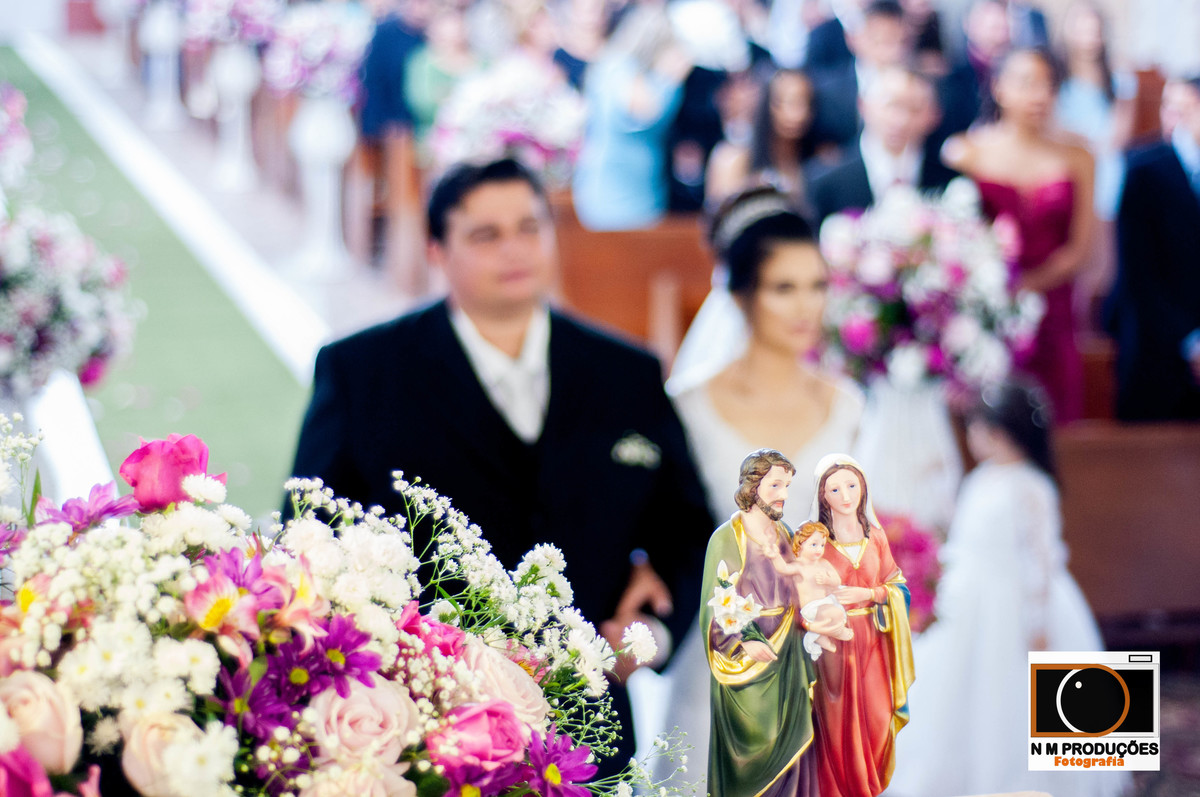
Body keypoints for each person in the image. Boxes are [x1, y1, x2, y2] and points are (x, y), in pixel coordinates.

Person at [288, 158, 715, 775]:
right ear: (437, 250)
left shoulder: (627, 371)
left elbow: (686, 525)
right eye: (485, 235)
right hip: (424, 725)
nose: (514, 250)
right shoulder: (362, 373)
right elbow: (308, 537)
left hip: (588, 727)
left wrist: (652, 630)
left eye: (529, 227)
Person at [658, 187, 864, 793]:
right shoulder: (688, 407)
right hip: (723, 660)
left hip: (826, 662)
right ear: (741, 294)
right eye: (783, 288)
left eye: (817, 285)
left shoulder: (848, 407)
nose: (807, 307)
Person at [887, 379, 1131, 797]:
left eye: (979, 428)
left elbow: (1041, 557)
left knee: (1019, 694)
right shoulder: (981, 476)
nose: (972, 437)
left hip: (1013, 601)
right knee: (951, 693)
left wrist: (1037, 620)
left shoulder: (1033, 486)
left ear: (1003, 432)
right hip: (968, 598)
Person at [943, 48, 1095, 424]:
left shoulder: (1079, 155)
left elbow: (1079, 248)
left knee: (1058, 420)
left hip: (1054, 309)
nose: (1039, 95)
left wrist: (1026, 287)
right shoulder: (968, 152)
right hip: (988, 313)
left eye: (1048, 85)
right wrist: (996, 293)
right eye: (1027, 83)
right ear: (998, 88)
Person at [701, 449, 838, 797]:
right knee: (753, 755)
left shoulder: (785, 532)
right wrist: (745, 638)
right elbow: (718, 600)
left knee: (796, 754)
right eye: (776, 485)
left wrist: (819, 613)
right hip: (747, 664)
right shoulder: (726, 539)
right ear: (753, 485)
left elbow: (800, 584)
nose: (784, 495)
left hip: (789, 658)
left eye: (787, 485)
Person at [809, 452, 913, 797]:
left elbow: (896, 586)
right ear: (822, 495)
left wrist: (869, 593)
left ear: (863, 487)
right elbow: (801, 590)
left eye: (851, 485)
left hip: (873, 642)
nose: (845, 495)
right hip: (833, 649)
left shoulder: (876, 538)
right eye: (835, 489)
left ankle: (869, 788)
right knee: (837, 726)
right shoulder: (815, 542)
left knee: (877, 718)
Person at [1104, 75, 1200, 421]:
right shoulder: (1143, 169)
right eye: (1169, 108)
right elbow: (1139, 271)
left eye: (1186, 108)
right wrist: (1192, 341)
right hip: (1158, 349)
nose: (1175, 117)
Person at [571, 6, 693, 230]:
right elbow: (644, 113)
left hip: (645, 184)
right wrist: (667, 79)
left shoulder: (633, 72)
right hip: (613, 186)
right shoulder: (619, 67)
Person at [810, 66, 957, 227]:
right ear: (863, 105)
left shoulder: (951, 184)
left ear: (934, 116)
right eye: (892, 105)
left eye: (914, 108)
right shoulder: (826, 183)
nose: (902, 119)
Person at [808, 0, 912, 162]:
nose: (893, 51)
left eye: (901, 41)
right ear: (854, 39)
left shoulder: (918, 88)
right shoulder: (826, 92)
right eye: (881, 41)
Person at [704, 69, 818, 210]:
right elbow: (717, 222)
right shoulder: (732, 160)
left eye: (805, 102)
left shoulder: (816, 163)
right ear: (765, 104)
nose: (799, 113)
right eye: (788, 102)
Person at [761, 520, 854, 658]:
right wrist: (775, 556)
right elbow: (783, 569)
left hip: (827, 602)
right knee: (836, 614)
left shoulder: (824, 563)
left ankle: (819, 636)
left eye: (822, 545)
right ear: (800, 544)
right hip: (812, 608)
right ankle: (827, 631)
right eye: (814, 544)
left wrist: (828, 580)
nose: (819, 549)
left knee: (840, 613)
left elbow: (837, 580)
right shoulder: (799, 566)